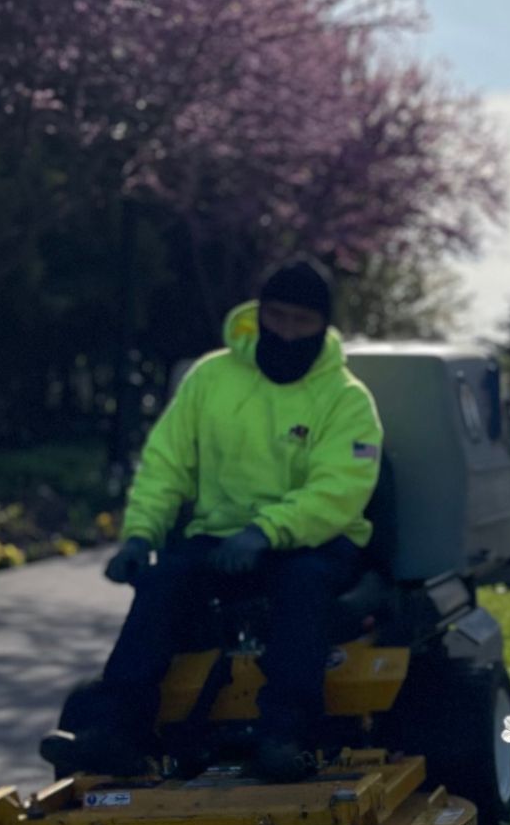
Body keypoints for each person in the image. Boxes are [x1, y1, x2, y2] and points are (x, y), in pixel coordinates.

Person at [64, 261, 384, 781]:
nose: (285, 331)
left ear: (322, 326)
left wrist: (265, 533)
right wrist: (141, 533)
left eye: (301, 321)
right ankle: (117, 732)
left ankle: (287, 734)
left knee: (303, 584)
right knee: (163, 579)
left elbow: (339, 491)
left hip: (314, 541)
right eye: (275, 316)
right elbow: (167, 463)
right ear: (258, 314)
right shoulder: (211, 378)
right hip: (219, 536)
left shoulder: (347, 400)